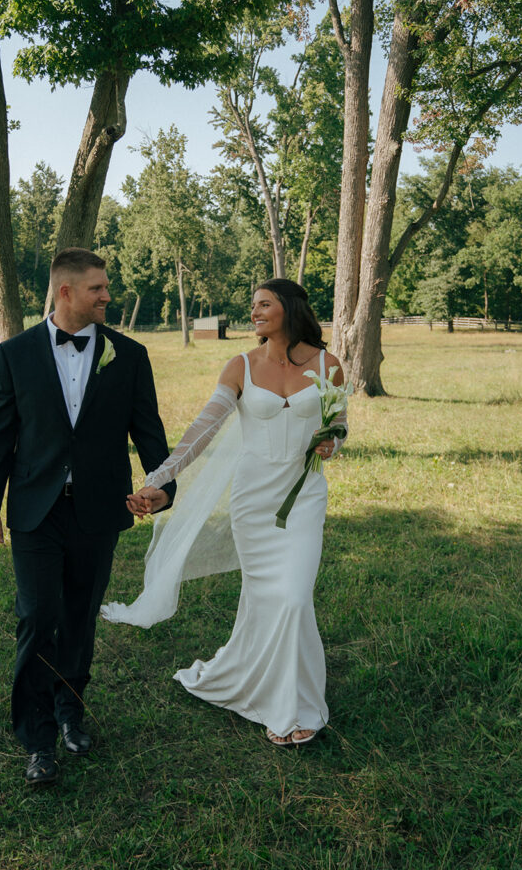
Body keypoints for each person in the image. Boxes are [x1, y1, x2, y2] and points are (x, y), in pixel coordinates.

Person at [115, 278, 348, 746]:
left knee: (296, 598)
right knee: (268, 598)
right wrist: (157, 479)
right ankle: (275, 700)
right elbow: (202, 431)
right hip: (254, 502)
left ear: (288, 307)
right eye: (254, 305)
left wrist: (332, 442)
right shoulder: (240, 366)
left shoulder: (329, 364)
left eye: (264, 304)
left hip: (302, 497)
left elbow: (339, 425)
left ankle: (296, 702)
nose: (255, 312)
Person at [0, 248, 175, 784]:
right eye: (97, 289)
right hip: (36, 512)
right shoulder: (15, 354)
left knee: (80, 620)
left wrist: (161, 486)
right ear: (66, 292)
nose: (107, 296)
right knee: (38, 619)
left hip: (98, 510)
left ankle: (70, 713)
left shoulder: (129, 356)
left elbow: (149, 433)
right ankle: (37, 740)